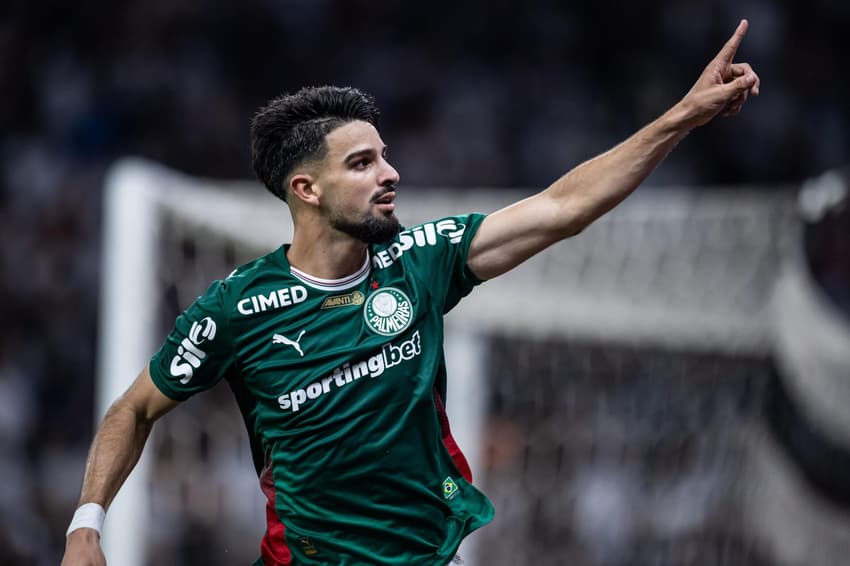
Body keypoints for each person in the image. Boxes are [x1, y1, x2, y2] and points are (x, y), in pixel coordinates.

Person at [62, 19, 760, 566]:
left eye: (386, 156)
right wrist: (86, 524)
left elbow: (562, 207)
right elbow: (134, 408)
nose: (390, 173)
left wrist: (680, 116)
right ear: (307, 189)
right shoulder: (237, 308)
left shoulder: (421, 260)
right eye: (363, 163)